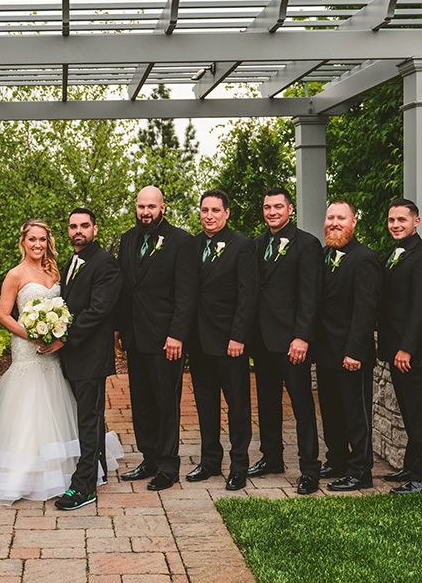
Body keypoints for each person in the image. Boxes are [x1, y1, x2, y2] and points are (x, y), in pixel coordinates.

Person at [0, 220, 83, 505]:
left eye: (42, 239)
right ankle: (23, 475)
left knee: (53, 402)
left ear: (47, 241)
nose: (37, 244)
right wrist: (32, 335)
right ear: (23, 242)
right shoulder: (15, 274)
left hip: (52, 351)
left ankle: (60, 474)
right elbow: (3, 315)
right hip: (27, 348)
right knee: (27, 407)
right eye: (32, 240)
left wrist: (54, 333)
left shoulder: (54, 271)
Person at [117, 186, 198, 492]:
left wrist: (177, 334)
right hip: (135, 336)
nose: (145, 212)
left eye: (151, 206)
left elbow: (186, 294)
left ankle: (167, 465)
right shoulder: (127, 239)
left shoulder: (181, 241)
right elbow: (126, 288)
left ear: (163, 208)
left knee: (166, 403)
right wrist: (118, 328)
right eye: (141, 206)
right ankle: (148, 457)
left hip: (166, 339)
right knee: (141, 402)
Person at [248, 187, 324, 495]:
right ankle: (272, 457)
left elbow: (310, 296)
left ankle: (309, 468)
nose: (272, 212)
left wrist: (302, 337)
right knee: (267, 404)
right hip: (263, 341)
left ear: (290, 209)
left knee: (302, 406)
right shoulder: (256, 245)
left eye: (278, 207)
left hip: (293, 342)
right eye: (267, 207)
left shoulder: (306, 244)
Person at [54, 208, 124, 511]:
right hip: (73, 356)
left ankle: (83, 487)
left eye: (84, 226)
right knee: (90, 417)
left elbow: (98, 310)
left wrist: (63, 336)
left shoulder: (106, 263)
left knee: (88, 418)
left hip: (90, 355)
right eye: (73, 226)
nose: (78, 231)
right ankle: (98, 471)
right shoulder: (70, 262)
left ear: (95, 229)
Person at [186, 190, 256, 491]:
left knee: (238, 406)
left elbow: (248, 296)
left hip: (230, 342)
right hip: (199, 342)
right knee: (205, 404)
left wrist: (238, 336)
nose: (209, 215)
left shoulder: (243, 246)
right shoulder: (193, 245)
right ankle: (210, 461)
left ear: (227, 213)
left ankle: (239, 465)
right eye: (204, 210)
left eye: (215, 210)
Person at [313, 201, 382, 492]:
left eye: (341, 218)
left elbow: (366, 311)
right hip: (326, 352)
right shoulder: (325, 255)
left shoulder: (364, 258)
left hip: (351, 354)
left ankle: (360, 471)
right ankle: (337, 459)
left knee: (356, 415)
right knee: (331, 412)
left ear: (354, 222)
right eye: (330, 217)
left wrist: (354, 351)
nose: (334, 223)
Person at [379, 198, 422, 494]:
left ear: (416, 222)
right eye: (392, 220)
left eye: (401, 220)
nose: (395, 225)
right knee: (408, 413)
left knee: (421, 417)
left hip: (414, 352)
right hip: (397, 350)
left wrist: (406, 348)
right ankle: (412, 467)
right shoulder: (395, 254)